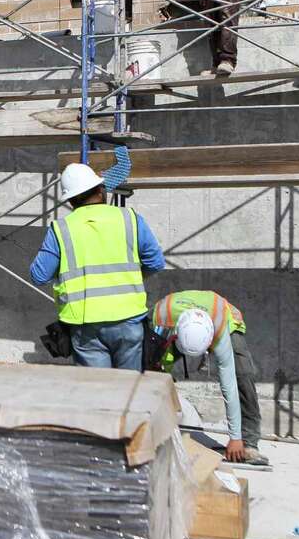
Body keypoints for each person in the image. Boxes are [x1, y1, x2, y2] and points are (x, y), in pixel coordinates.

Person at [30, 163, 165, 371]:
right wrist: (129, 279)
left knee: (98, 393)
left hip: (85, 326)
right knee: (129, 393)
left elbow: (39, 276)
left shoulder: (61, 229)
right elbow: (155, 262)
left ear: (71, 201)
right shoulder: (129, 219)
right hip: (128, 319)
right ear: (101, 191)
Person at [149, 290, 268, 465]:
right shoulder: (159, 318)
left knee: (241, 374)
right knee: (153, 371)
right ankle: (151, 432)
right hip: (174, 320)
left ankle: (248, 443)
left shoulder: (220, 330)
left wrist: (235, 437)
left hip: (222, 318)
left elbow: (230, 385)